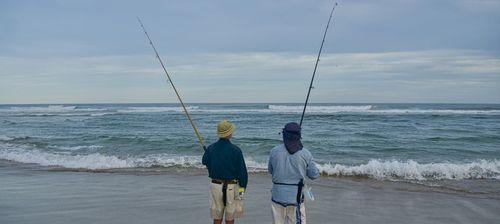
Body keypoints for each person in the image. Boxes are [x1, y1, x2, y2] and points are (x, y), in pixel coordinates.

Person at [268, 122, 320, 224]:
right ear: (299, 136)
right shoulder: (305, 153)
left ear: (284, 135)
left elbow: (270, 170)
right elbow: (314, 175)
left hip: (277, 196)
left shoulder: (274, 151)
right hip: (296, 199)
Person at [202, 120, 248, 224]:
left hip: (215, 186)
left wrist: (207, 152)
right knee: (230, 217)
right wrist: (241, 192)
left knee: (217, 216)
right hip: (231, 188)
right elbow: (243, 175)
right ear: (230, 134)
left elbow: (204, 161)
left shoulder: (211, 148)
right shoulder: (236, 150)